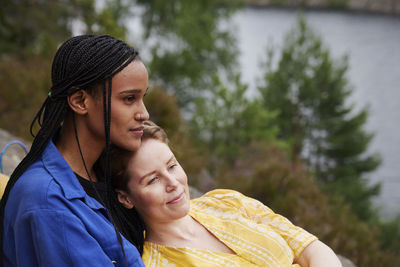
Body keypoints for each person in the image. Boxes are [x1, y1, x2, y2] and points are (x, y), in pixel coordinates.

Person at [0, 34, 150, 266]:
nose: (144, 113)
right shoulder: (47, 201)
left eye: (143, 98)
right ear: (80, 101)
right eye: (129, 98)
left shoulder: (108, 171)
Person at [110, 121, 343, 266]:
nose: (173, 183)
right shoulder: (156, 264)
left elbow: (310, 247)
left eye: (172, 166)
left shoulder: (225, 201)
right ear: (126, 198)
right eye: (153, 180)